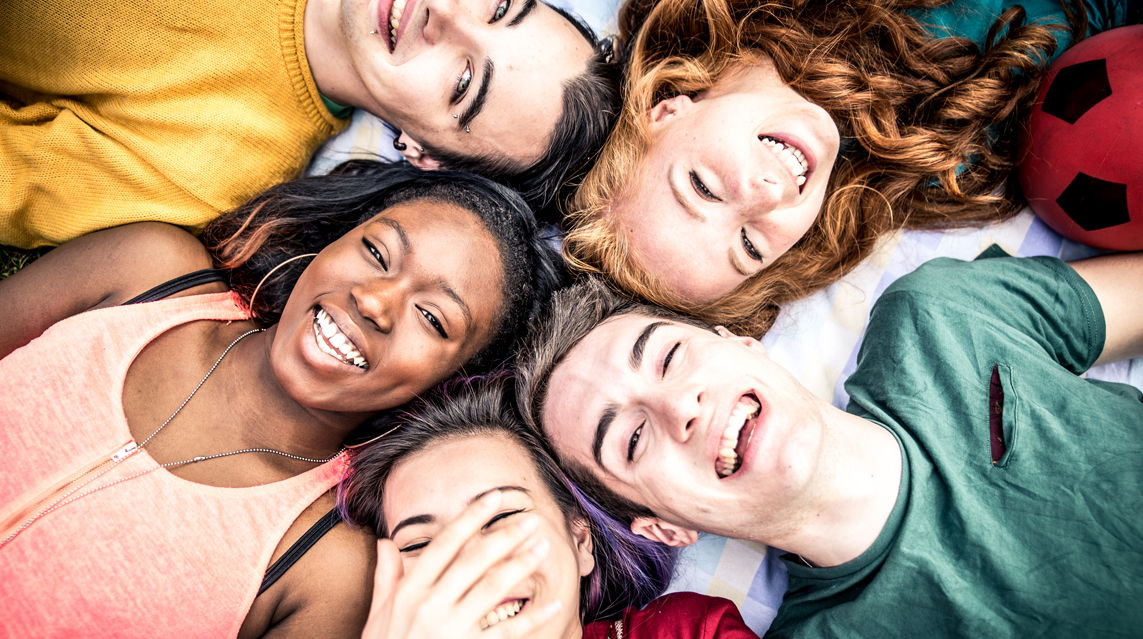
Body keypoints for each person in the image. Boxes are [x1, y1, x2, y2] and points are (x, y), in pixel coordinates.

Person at [0, 161, 562, 638]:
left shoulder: (326, 571)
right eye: (376, 251)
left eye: (433, 318)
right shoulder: (147, 271)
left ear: (446, 385)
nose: (375, 302)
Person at [514, 249, 1143, 637]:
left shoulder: (941, 315)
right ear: (664, 531)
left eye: (671, 357)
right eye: (632, 439)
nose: (681, 407)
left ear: (737, 341)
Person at [562, 0, 1138, 337]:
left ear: (665, 111)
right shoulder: (940, 162)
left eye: (703, 188)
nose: (765, 195)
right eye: (750, 246)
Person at [0, 0, 621, 249]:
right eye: (499, 6)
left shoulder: (206, 169)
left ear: (422, 152)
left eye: (463, 83)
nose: (444, 16)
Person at [339, 374, 761, 638]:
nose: (472, 565)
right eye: (420, 545)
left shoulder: (690, 632)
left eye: (500, 517)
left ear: (580, 541)